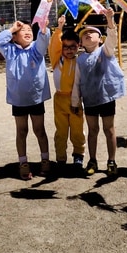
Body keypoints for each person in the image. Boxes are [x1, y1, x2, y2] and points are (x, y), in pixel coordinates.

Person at [71, 8, 126, 176]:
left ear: (100, 39)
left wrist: (110, 19)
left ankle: (111, 161)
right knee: (92, 130)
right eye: (84, 34)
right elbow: (77, 82)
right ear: (80, 42)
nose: (88, 34)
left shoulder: (106, 51)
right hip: (90, 99)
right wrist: (75, 102)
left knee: (109, 129)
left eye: (92, 33)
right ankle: (92, 160)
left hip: (106, 97)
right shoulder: (79, 59)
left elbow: (112, 37)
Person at [0, 20, 51, 180]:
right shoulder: (10, 50)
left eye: (29, 30)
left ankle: (45, 159)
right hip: (18, 100)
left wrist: (43, 29)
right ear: (14, 37)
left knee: (40, 130)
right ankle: (23, 162)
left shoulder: (36, 50)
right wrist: (12, 28)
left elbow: (43, 40)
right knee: (21, 131)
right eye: (22, 30)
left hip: (36, 98)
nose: (27, 32)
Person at [48, 15, 86, 169]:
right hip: (59, 100)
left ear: (78, 46)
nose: (69, 50)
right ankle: (61, 158)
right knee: (61, 131)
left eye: (73, 46)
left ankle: (78, 155)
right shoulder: (56, 60)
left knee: (77, 130)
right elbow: (54, 45)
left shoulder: (80, 61)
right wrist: (59, 28)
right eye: (66, 46)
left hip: (75, 99)